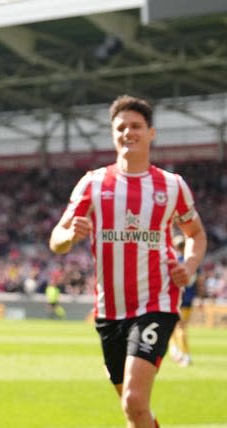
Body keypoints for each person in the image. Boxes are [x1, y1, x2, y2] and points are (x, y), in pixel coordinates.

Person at [49, 94, 206, 428]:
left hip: (156, 303)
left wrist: (189, 266)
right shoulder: (92, 183)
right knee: (134, 411)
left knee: (135, 400)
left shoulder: (172, 186)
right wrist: (70, 235)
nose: (128, 132)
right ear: (112, 134)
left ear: (151, 133)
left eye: (136, 126)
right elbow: (56, 240)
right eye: (121, 127)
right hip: (109, 312)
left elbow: (196, 234)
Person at [169, 234, 204, 367]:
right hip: (188, 300)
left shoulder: (174, 262)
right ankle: (177, 351)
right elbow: (200, 282)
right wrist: (200, 298)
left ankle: (183, 354)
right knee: (180, 327)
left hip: (176, 300)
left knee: (177, 326)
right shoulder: (193, 263)